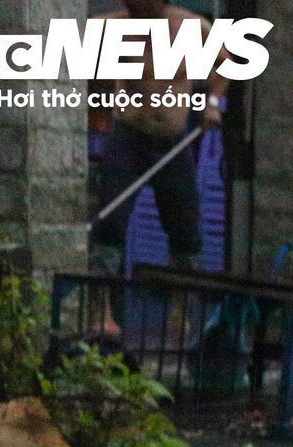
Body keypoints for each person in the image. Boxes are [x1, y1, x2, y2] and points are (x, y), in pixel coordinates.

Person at [89, 0, 226, 280]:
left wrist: (211, 103)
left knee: (186, 231)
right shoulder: (107, 27)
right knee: (109, 224)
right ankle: (99, 313)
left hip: (172, 142)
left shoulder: (193, 28)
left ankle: (179, 314)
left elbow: (225, 66)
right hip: (128, 136)